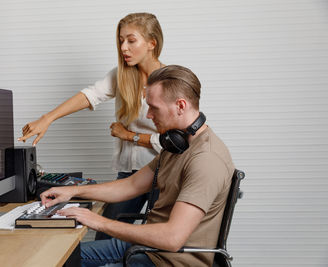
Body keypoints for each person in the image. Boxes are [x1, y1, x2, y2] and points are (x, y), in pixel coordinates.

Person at [40, 65, 236, 267]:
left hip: (168, 262)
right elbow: (131, 185)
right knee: (56, 257)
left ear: (180, 105)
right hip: (145, 249)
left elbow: (172, 238)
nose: (149, 115)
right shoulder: (176, 145)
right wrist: (72, 192)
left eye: (154, 107)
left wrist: (98, 222)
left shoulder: (206, 159)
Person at [18, 13, 165, 240]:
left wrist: (129, 136)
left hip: (163, 173)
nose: (123, 47)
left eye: (131, 40)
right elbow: (91, 95)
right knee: (105, 236)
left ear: (152, 43)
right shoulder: (122, 75)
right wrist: (48, 118)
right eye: (120, 41)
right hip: (127, 174)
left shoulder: (172, 81)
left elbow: (176, 139)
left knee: (152, 245)